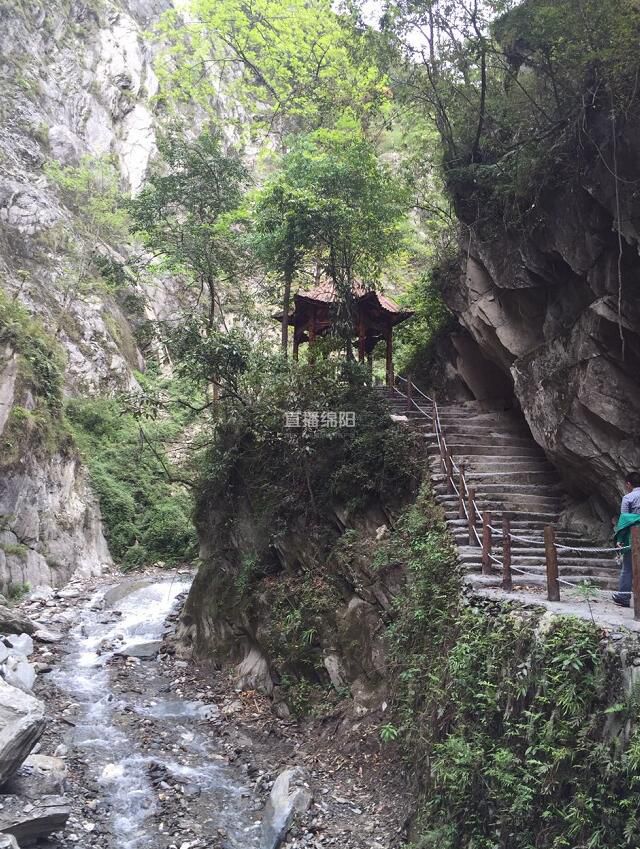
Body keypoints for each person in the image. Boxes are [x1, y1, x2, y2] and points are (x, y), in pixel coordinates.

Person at [612, 472, 640, 608]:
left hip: (634, 537)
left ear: (628, 484)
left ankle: (623, 596)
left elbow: (624, 520)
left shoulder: (628, 497)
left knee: (628, 567)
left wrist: (620, 539)